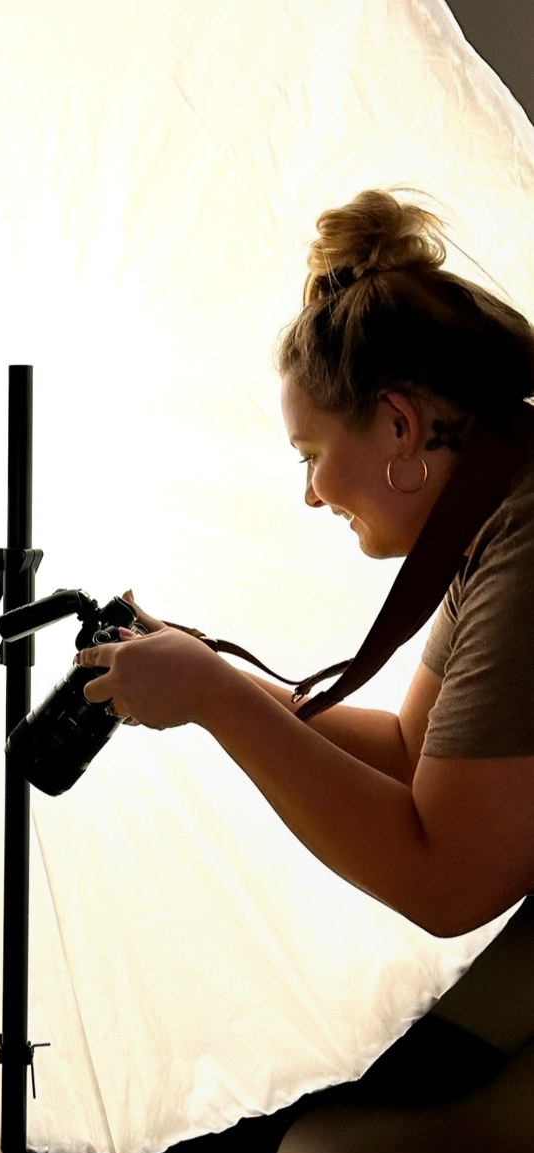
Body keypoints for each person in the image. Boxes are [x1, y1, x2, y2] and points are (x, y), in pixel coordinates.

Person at [77, 190, 534, 938]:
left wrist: (215, 698)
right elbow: (407, 752)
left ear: (397, 425)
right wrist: (206, 672)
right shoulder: (495, 507)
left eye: (310, 456)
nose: (310, 496)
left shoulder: (524, 543)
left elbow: (448, 887)